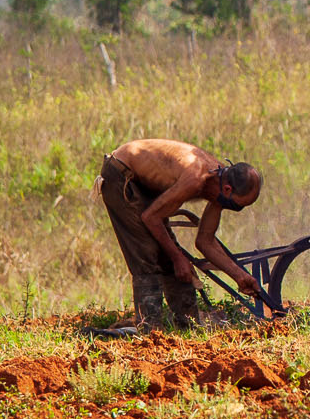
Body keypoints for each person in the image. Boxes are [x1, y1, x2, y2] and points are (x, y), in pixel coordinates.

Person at [97, 139, 263, 328]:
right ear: (228, 189)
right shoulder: (196, 178)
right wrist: (178, 257)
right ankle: (149, 328)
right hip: (120, 174)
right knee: (148, 254)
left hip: (144, 183)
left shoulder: (219, 183)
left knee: (171, 255)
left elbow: (205, 242)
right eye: (237, 206)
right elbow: (151, 218)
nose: (234, 210)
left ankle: (188, 323)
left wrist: (240, 276)